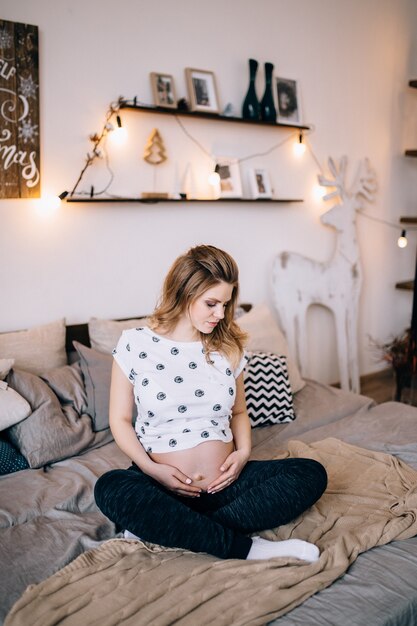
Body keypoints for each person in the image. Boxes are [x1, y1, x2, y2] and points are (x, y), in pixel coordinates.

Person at [94, 244, 327, 561]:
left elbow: (240, 411)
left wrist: (243, 454)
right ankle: (247, 548)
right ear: (184, 293)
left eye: (225, 304)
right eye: (211, 303)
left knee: (310, 473)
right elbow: (120, 420)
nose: (220, 314)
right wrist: (151, 469)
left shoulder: (228, 347)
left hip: (225, 486)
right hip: (159, 483)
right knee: (111, 487)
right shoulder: (135, 342)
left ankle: (173, 529)